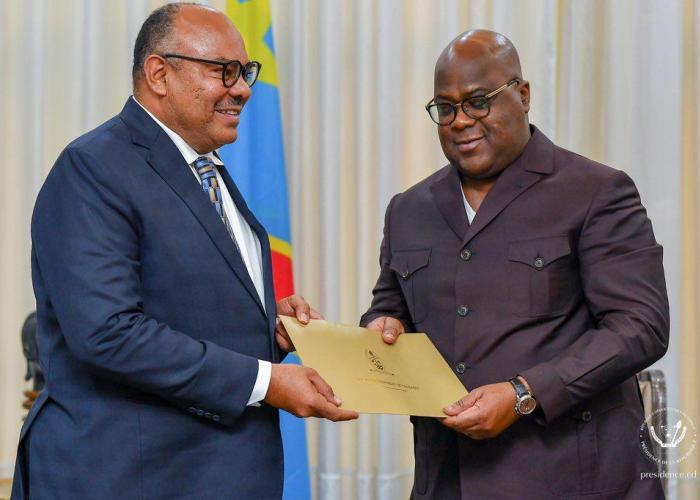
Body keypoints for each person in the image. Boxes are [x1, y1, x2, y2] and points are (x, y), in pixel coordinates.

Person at [12, 3, 357, 499]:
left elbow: (182, 303)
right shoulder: (93, 168)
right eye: (225, 71)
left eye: (245, 71)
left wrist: (267, 329)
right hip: (134, 479)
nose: (244, 89)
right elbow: (108, 333)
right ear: (159, 74)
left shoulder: (207, 169)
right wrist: (266, 381)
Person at [362, 29, 669, 499]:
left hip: (574, 480)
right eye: (445, 108)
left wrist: (525, 393)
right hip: (447, 481)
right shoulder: (408, 209)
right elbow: (389, 308)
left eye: (478, 102)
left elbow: (640, 326)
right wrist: (382, 326)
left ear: (523, 96)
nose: (461, 121)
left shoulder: (595, 191)